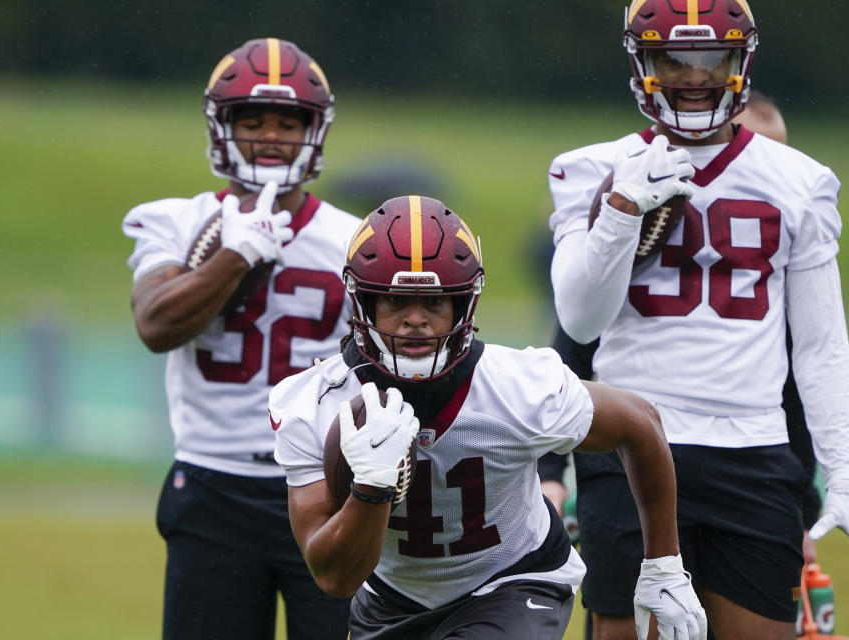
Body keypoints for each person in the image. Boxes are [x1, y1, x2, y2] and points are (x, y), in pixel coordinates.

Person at [547, 2, 849, 639]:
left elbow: (819, 346)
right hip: (629, 440)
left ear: (743, 62)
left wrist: (844, 472)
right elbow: (579, 316)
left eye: (713, 58)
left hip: (753, 451)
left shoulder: (800, 180)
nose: (694, 76)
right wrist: (623, 210)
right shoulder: (591, 168)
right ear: (641, 62)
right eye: (673, 58)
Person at [269, 196, 707, 640]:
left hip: (513, 580)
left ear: (463, 307)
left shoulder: (517, 386)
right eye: (397, 301)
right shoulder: (313, 403)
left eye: (436, 302)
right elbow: (333, 578)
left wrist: (663, 565)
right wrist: (370, 491)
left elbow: (639, 423)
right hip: (390, 598)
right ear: (365, 303)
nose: (416, 320)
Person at [122, 38, 360, 640]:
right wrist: (236, 256)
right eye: (251, 120)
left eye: (289, 120)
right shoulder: (175, 221)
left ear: (316, 130)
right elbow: (155, 325)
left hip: (326, 484)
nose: (271, 136)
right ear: (221, 127)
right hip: (213, 482)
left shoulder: (356, 240)